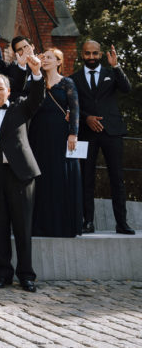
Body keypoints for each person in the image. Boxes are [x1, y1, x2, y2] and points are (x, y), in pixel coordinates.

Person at [0, 56, 44, 292]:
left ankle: (26, 275)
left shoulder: (21, 107)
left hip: (20, 175)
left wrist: (36, 73)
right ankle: (2, 274)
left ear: (9, 90)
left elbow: (37, 96)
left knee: (23, 227)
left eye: (0, 89)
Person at [71, 41, 134, 235]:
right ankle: (88, 221)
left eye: (95, 53)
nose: (91, 57)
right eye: (88, 53)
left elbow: (127, 88)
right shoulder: (74, 78)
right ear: (82, 54)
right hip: (86, 134)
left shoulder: (111, 74)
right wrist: (86, 118)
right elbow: (71, 107)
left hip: (112, 132)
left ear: (100, 54)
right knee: (86, 179)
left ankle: (121, 223)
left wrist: (116, 66)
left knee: (117, 178)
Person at [30, 48, 82, 238]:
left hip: (60, 135)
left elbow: (75, 109)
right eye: (43, 57)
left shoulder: (67, 82)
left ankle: (62, 225)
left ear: (59, 62)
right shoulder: (36, 81)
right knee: (42, 178)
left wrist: (73, 134)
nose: (45, 60)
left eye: (50, 58)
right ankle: (41, 225)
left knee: (61, 176)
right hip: (38, 135)